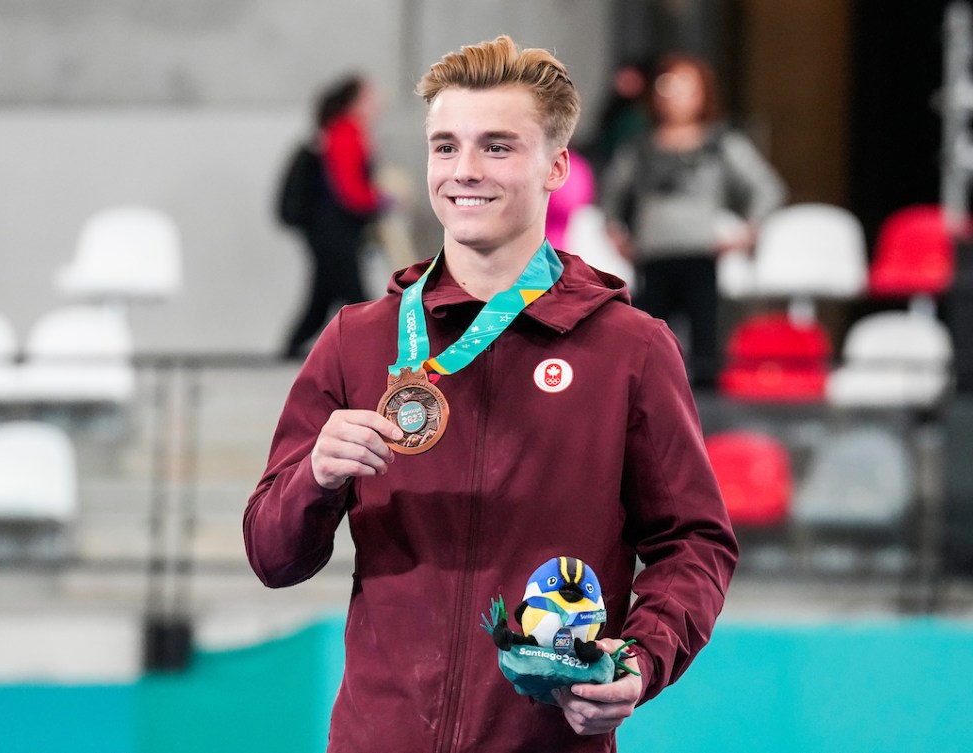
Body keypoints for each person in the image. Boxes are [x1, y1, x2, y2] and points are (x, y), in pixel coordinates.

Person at [245, 36, 737, 752]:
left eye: (497, 147)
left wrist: (641, 656)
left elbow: (693, 542)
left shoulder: (628, 348)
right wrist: (314, 478)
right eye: (445, 146)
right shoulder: (356, 340)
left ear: (556, 167)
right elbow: (271, 554)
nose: (463, 171)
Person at [600, 52, 787, 388]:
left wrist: (749, 230)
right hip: (653, 256)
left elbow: (766, 187)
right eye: (668, 86)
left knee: (705, 346)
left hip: (701, 255)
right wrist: (614, 231)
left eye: (687, 87)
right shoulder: (640, 147)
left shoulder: (720, 144)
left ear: (703, 93)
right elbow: (611, 192)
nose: (676, 97)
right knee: (648, 341)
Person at [278, 75, 384, 360]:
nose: (378, 102)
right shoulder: (346, 132)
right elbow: (349, 190)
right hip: (334, 229)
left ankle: (288, 353)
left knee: (322, 298)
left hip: (330, 229)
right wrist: (381, 201)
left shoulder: (339, 132)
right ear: (355, 102)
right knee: (358, 298)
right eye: (370, 97)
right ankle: (380, 355)